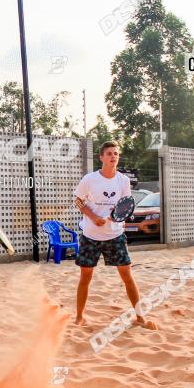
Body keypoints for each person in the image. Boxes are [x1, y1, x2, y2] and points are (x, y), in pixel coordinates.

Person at [72, 141, 158, 331]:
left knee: (127, 275)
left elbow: (126, 205)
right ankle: (79, 317)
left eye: (116, 154)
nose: (113, 157)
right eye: (109, 153)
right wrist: (94, 217)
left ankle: (140, 317)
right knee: (85, 277)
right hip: (90, 235)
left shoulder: (123, 181)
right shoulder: (90, 179)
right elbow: (77, 201)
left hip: (115, 234)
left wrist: (116, 221)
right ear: (101, 157)